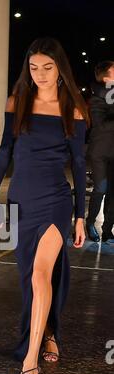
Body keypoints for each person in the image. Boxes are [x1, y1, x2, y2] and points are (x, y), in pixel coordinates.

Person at [0, 37, 88, 374]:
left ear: (60, 69)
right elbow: (2, 153)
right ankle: (50, 334)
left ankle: (30, 364)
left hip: (55, 202)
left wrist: (79, 215)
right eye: (33, 67)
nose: (40, 74)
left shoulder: (73, 108)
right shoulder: (18, 102)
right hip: (20, 200)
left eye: (47, 67)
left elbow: (78, 164)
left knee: (40, 274)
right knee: (29, 278)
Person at [86, 61, 114, 243]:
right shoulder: (96, 98)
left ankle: (107, 230)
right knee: (101, 189)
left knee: (113, 192)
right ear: (106, 78)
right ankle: (89, 224)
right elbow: (100, 126)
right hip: (100, 152)